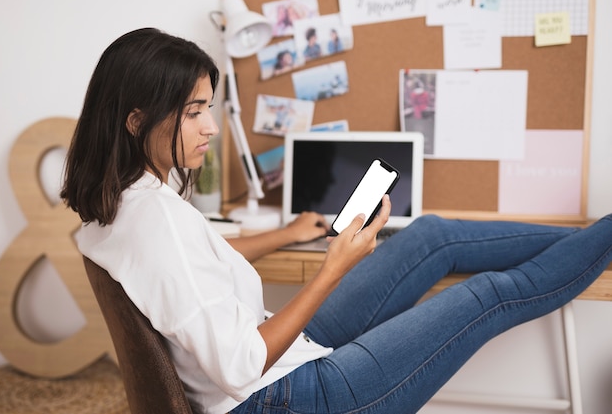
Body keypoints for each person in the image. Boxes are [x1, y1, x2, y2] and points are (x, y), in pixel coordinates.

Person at [60, 28, 612, 414]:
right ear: (136, 120)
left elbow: (196, 263)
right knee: (489, 294)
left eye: (209, 108)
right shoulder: (158, 221)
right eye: (193, 112)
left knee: (432, 235)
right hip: (290, 397)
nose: (210, 128)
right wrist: (333, 268)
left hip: (286, 363)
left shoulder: (123, 206)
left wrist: (289, 233)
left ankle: (591, 241)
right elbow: (239, 364)